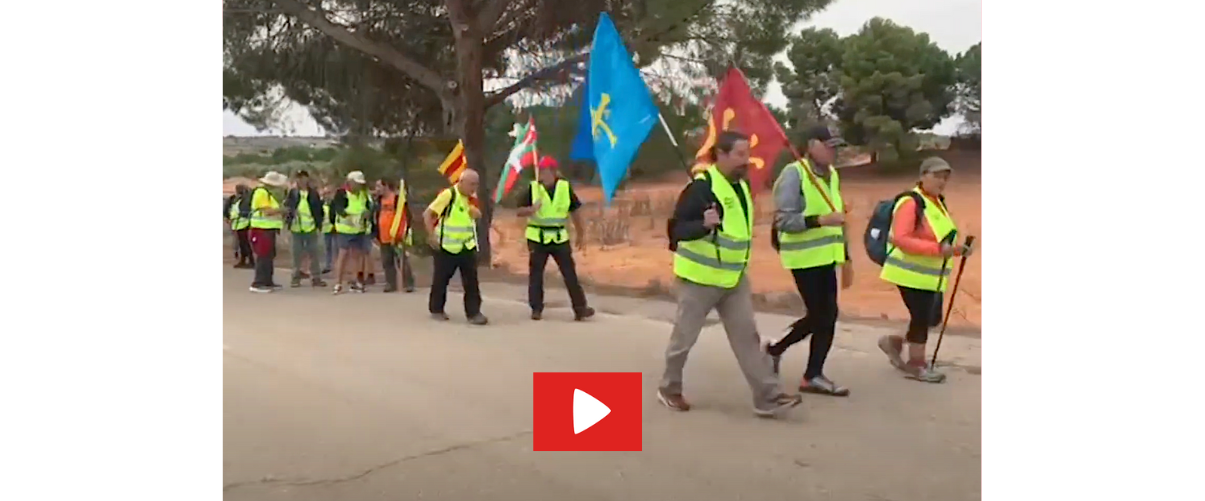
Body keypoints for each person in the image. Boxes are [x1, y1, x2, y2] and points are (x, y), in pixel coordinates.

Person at [657, 131, 802, 418]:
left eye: (747, 154)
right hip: (699, 280)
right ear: (720, 155)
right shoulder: (700, 189)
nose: (746, 160)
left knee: (747, 339)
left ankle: (768, 397)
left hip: (734, 280)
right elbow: (676, 232)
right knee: (683, 339)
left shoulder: (741, 187)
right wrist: (702, 224)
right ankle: (669, 388)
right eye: (739, 154)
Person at [763, 125, 852, 397]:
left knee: (827, 315)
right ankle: (796, 364)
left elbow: (838, 217)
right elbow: (783, 220)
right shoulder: (794, 174)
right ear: (812, 145)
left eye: (836, 147)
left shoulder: (832, 175)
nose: (834, 152)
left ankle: (797, 365)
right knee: (822, 315)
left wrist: (846, 256)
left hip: (828, 256)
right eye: (829, 146)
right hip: (803, 258)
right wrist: (820, 220)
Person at [876, 157, 973, 383]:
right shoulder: (911, 202)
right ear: (922, 176)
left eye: (945, 177)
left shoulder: (936, 202)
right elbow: (901, 238)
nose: (942, 181)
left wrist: (957, 249)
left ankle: (894, 342)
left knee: (931, 317)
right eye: (936, 176)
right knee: (921, 317)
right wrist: (939, 249)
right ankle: (916, 364)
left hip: (930, 275)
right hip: (909, 273)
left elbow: (939, 236)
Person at [514, 156, 595, 321]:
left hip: (559, 238)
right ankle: (536, 308)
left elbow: (575, 211)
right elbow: (519, 211)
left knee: (570, 274)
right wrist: (531, 209)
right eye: (540, 171)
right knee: (536, 275)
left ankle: (580, 308)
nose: (542, 174)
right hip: (538, 238)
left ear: (553, 171)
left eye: (545, 171)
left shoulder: (565, 187)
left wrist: (581, 233)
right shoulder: (533, 188)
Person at [423, 169, 488, 325]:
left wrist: (477, 214)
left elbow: (475, 216)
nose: (474, 188)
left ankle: (474, 313)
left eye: (476, 184)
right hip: (447, 247)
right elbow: (428, 214)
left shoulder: (472, 198)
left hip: (467, 246)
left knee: (471, 281)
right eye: (471, 184)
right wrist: (431, 235)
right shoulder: (449, 195)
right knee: (441, 279)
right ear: (461, 182)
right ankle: (437, 309)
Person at [330, 171, 373, 294]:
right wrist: (349, 216)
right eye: (357, 183)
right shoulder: (341, 193)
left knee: (356, 256)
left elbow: (369, 206)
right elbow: (338, 209)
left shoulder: (364, 194)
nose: (359, 186)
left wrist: (367, 213)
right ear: (350, 182)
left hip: (359, 229)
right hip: (345, 229)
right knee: (343, 255)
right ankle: (338, 283)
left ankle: (355, 281)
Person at [284, 170, 327, 288]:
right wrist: (291, 215)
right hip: (296, 228)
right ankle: (295, 278)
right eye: (299, 178)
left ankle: (316, 277)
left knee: (313, 254)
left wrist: (319, 223)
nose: (301, 180)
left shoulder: (313, 194)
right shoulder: (293, 193)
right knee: (296, 254)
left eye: (303, 177)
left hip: (310, 227)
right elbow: (287, 207)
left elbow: (319, 209)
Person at [248, 171, 289, 293]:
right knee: (263, 256)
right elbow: (267, 211)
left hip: (268, 228)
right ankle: (259, 282)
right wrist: (282, 210)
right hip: (261, 228)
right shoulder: (261, 193)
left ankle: (267, 280)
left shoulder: (267, 193)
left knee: (269, 255)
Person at [374, 178, 416, 293]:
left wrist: (402, 232)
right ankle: (390, 283)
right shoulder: (378, 200)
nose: (377, 189)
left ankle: (408, 283)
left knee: (402, 260)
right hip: (383, 235)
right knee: (387, 261)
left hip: (396, 235)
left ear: (386, 186)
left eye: (379, 186)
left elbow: (406, 216)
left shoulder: (397, 199)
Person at [224, 184, 254, 269]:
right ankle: (243, 260)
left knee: (245, 244)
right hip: (237, 224)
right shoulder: (234, 199)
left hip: (243, 223)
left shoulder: (245, 199)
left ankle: (250, 261)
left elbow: (245, 211)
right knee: (241, 244)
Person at [320, 185, 336, 274]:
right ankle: (328, 265)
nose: (327, 195)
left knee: (337, 248)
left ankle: (337, 265)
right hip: (326, 228)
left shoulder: (335, 203)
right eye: (325, 193)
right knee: (327, 248)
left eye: (328, 193)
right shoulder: (321, 203)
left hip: (335, 228)